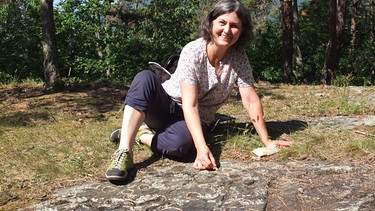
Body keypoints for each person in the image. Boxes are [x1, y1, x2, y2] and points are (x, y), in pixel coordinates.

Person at [105, 0, 293, 181]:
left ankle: (141, 135)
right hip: (166, 106)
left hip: (197, 117)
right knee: (144, 78)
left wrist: (267, 140)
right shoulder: (193, 51)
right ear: (211, 23)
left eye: (235, 25)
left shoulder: (239, 58)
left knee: (178, 146)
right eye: (222, 23)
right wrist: (202, 149)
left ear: (242, 31)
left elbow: (251, 101)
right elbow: (190, 102)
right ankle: (124, 152)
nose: (227, 30)